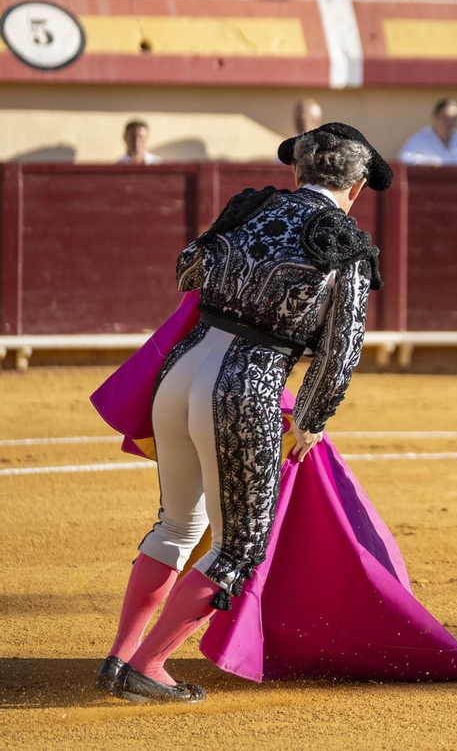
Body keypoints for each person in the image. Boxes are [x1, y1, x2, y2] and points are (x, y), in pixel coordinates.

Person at [97, 123, 386, 704]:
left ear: (297, 173)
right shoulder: (345, 242)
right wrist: (311, 419)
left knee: (177, 524)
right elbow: (343, 345)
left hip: (179, 372)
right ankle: (149, 666)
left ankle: (119, 658)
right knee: (238, 546)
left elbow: (187, 271)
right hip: (245, 384)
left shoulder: (249, 209)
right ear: (356, 186)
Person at [399, 97, 457, 165]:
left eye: (453, 119)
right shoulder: (419, 139)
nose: (449, 123)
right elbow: (404, 160)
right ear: (435, 117)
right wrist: (429, 163)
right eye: (445, 118)